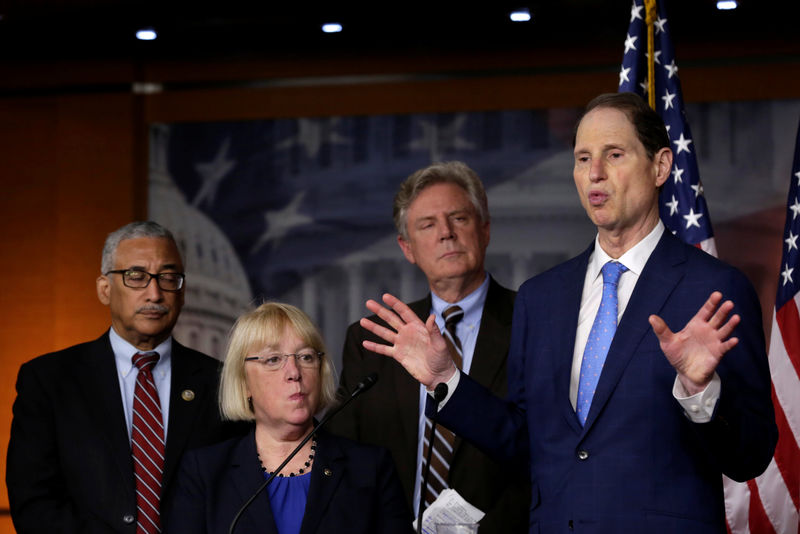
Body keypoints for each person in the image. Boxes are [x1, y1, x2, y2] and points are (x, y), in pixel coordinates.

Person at [359, 93, 778, 533]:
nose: (595, 173)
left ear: (660, 166)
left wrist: (700, 390)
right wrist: (447, 380)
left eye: (613, 155)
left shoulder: (713, 288)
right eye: (582, 158)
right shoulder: (542, 298)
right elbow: (526, 443)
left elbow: (750, 455)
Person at [329, 161, 529, 533]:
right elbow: (351, 460)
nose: (446, 234)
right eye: (428, 225)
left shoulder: (534, 323)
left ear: (485, 230)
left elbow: (542, 451)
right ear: (407, 248)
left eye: (459, 218)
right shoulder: (373, 340)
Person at [6, 221, 244, 534]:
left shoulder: (223, 383)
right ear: (104, 289)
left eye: (168, 277)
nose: (155, 292)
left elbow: (240, 495)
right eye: (136, 276)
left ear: (183, 292)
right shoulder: (49, 380)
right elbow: (34, 502)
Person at [164, 302, 414, 534]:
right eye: (273, 359)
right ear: (244, 383)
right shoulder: (204, 472)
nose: (294, 372)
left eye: (306, 357)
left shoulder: (370, 467)